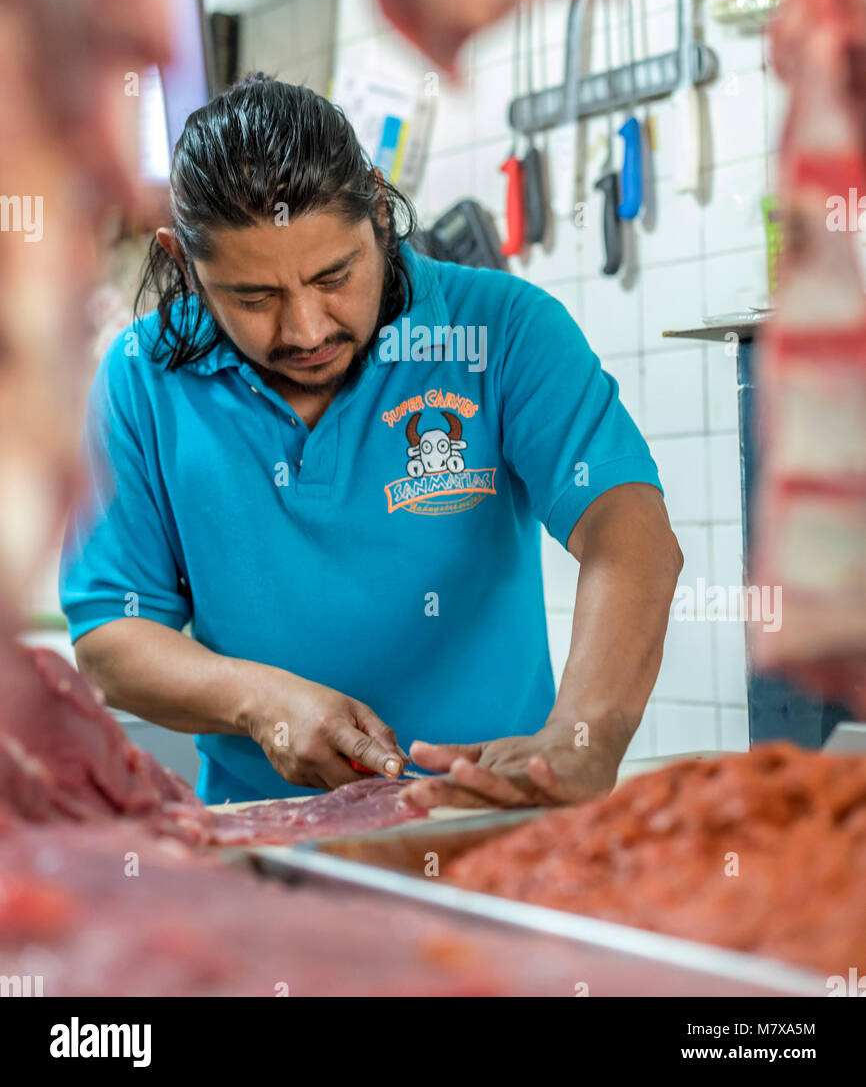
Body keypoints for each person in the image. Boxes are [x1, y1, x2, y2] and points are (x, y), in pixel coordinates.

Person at [60, 74, 682, 810]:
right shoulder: (139, 379)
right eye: (254, 298)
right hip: (271, 837)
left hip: (494, 820)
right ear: (185, 263)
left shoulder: (505, 331)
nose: (306, 329)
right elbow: (112, 636)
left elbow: (629, 533)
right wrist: (259, 699)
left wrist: (581, 739)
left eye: (335, 276)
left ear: (380, 216)